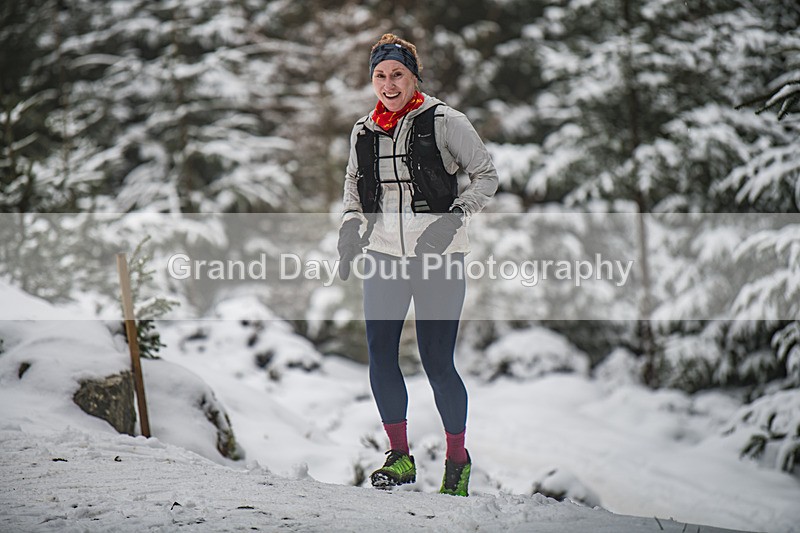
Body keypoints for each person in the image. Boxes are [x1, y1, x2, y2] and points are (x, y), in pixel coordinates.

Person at [338, 33, 497, 497]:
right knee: (380, 355)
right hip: (384, 257)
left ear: (413, 76)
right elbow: (353, 185)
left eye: (397, 74)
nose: (389, 84)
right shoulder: (363, 130)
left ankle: (456, 460)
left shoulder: (445, 121)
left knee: (437, 362)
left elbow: (486, 176)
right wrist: (350, 226)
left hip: (439, 260)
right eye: (380, 76)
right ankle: (400, 456)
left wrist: (453, 220)